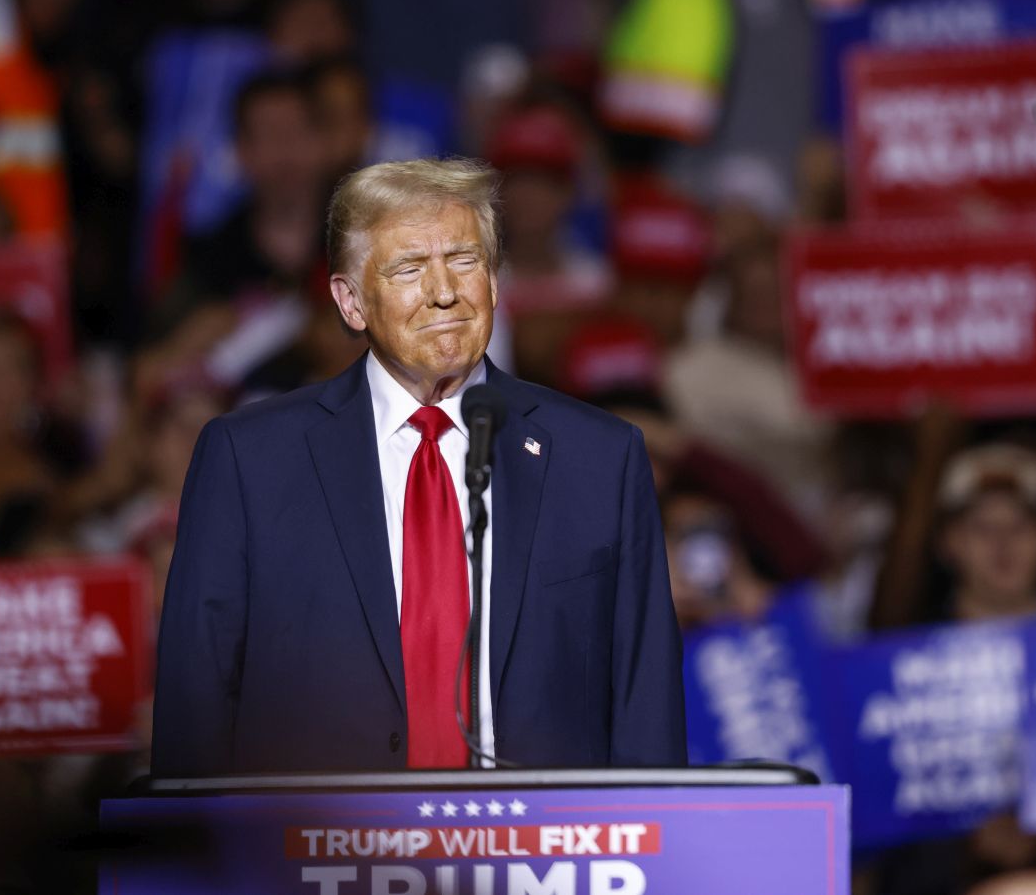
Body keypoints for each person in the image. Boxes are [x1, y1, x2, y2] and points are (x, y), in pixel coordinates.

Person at [153, 157, 685, 774]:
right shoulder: (250, 461)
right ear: (351, 302)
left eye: (464, 261)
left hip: (540, 855)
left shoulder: (599, 460)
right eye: (409, 268)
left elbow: (646, 703)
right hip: (317, 857)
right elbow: (197, 705)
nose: (444, 292)